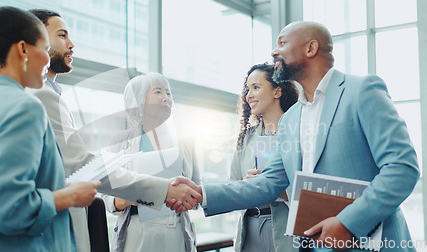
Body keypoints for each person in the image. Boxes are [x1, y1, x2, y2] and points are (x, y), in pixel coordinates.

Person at [171, 21, 419, 251]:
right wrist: (202, 194)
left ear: (311, 48)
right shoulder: (291, 119)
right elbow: (270, 183)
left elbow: (401, 168)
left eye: (282, 43)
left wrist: (349, 223)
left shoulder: (361, 91)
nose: (273, 52)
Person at [28, 9, 201, 252]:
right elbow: (83, 166)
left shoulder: (47, 94)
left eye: (168, 92)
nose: (71, 44)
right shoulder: (42, 96)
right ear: (36, 39)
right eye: (62, 35)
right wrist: (163, 190)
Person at [0, 6, 100, 252]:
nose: (48, 60)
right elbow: (7, 207)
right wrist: (70, 197)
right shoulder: (25, 107)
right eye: (45, 49)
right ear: (23, 49)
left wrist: (58, 189)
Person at [101, 72, 202, 252]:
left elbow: (198, 185)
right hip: (137, 229)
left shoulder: (186, 141)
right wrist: (123, 199)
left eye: (169, 93)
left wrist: (191, 197)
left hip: (177, 228)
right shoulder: (120, 141)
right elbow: (104, 195)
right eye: (158, 92)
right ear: (139, 100)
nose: (166, 98)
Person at [231, 63, 298, 251]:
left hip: (285, 228)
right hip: (250, 227)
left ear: (277, 91)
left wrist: (276, 189)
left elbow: (310, 186)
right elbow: (233, 183)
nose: (248, 95)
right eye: (247, 89)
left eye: (256, 87)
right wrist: (246, 183)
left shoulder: (298, 133)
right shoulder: (246, 138)